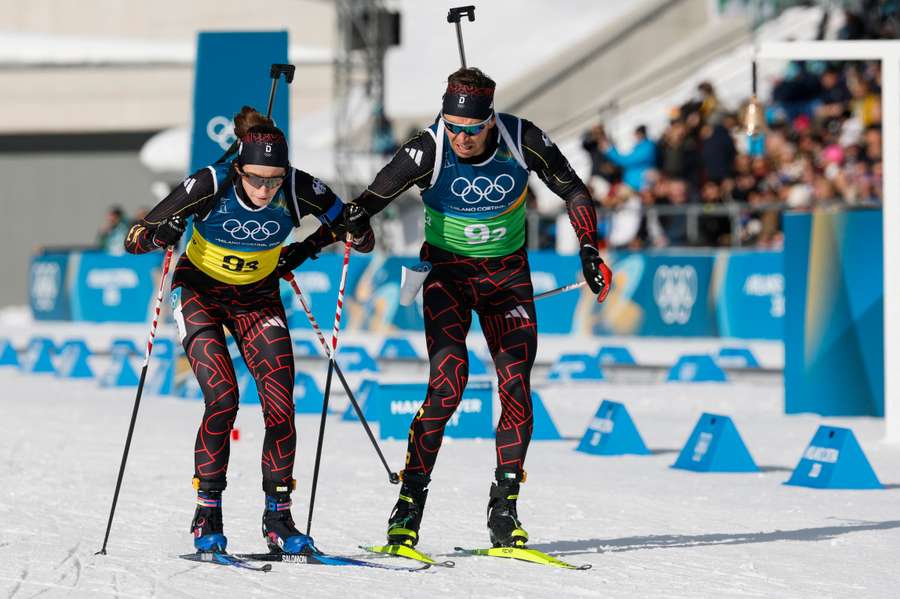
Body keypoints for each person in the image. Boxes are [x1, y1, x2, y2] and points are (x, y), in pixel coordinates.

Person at [343, 67, 612, 550]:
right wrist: (349, 230)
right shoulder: (428, 148)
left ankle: (504, 507)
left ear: (490, 120)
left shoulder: (522, 137)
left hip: (507, 281)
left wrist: (589, 248)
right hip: (447, 277)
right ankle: (408, 503)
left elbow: (573, 189)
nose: (461, 138)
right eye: (453, 126)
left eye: (471, 128)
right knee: (448, 387)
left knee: (515, 388)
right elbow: (366, 203)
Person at [123, 106, 372, 555]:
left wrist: (310, 246)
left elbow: (357, 232)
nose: (265, 189)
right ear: (238, 168)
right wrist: (163, 234)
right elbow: (134, 238)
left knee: (281, 406)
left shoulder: (299, 187)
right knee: (223, 399)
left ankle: (278, 518)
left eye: (274, 179)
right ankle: (207, 512)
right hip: (200, 293)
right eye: (256, 178)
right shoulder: (209, 184)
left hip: (258, 299)